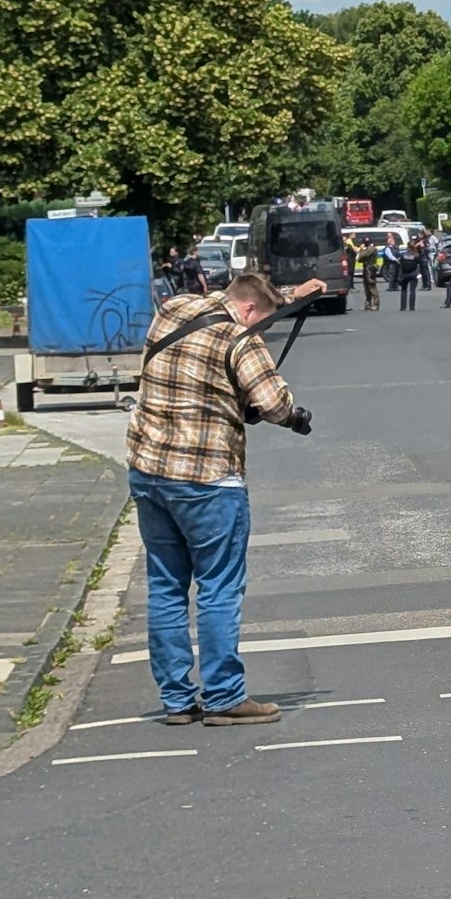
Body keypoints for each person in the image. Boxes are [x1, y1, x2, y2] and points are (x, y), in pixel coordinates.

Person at [127, 273, 319, 727]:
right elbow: (273, 404)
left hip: (148, 472)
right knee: (218, 587)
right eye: (262, 322)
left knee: (166, 586)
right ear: (249, 312)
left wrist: (293, 296)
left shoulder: (174, 309)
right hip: (207, 480)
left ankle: (177, 700)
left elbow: (242, 299)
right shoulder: (241, 339)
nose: (262, 330)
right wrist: (294, 416)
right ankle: (224, 696)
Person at [386, 236, 421, 311]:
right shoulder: (416, 255)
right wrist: (418, 273)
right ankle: (412, 307)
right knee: (412, 291)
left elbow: (400, 263)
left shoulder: (403, 255)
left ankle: (403, 306)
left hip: (405, 274)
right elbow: (418, 264)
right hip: (413, 274)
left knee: (404, 290)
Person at [357, 239, 381, 311]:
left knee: (372, 286)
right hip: (366, 269)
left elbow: (362, 255)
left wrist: (361, 250)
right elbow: (360, 259)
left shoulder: (371, 249)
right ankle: (368, 304)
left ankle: (376, 304)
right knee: (366, 288)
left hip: (370, 269)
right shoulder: (367, 249)